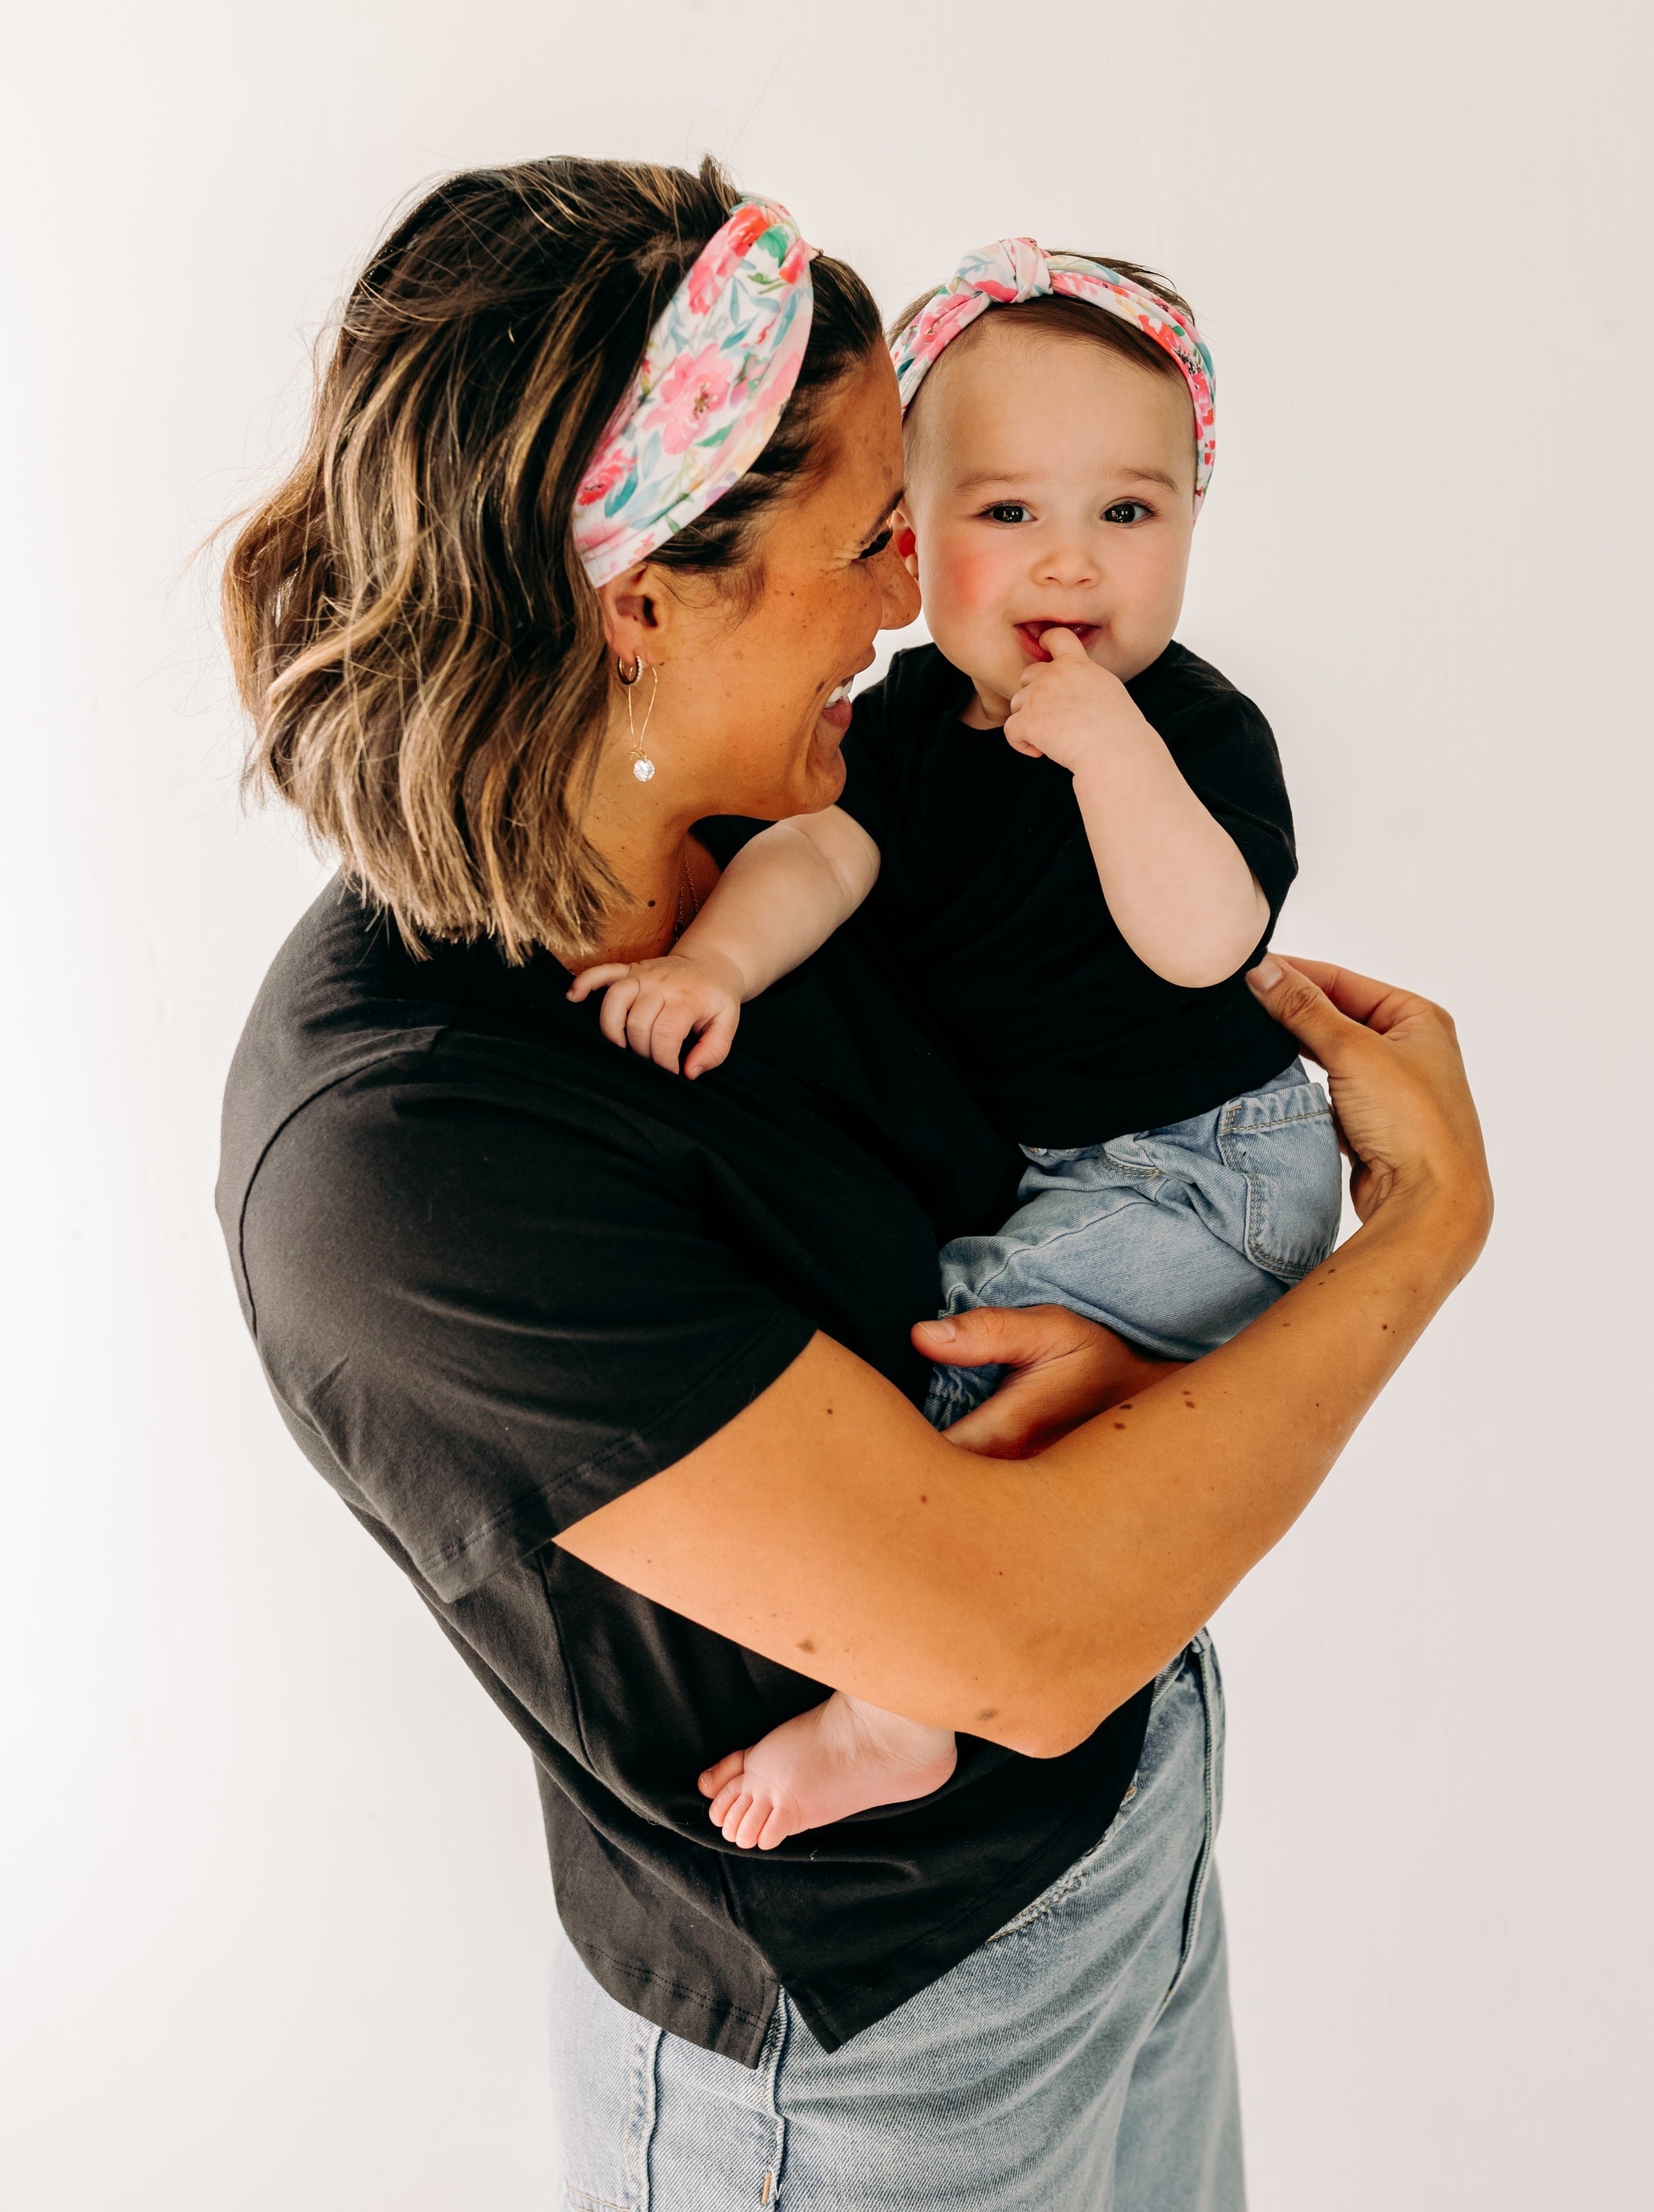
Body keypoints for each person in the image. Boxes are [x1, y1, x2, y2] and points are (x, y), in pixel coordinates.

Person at [217, 154, 1489, 2209]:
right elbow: (1036, 1628)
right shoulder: (406, 1158)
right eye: (867, 539)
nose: (920, 599)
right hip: (876, 2058)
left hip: (1131, 1845)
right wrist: (1425, 1230)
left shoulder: (776, 833)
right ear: (640, 600)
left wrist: (1142, 1364)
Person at [569, 238, 1345, 1853]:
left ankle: (895, 1716)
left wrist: (1115, 758)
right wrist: (715, 961)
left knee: (980, 1348)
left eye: (1129, 513)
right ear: (910, 543)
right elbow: (818, 855)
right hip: (1069, 1169)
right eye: (1010, 513)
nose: (1073, 562)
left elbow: (1206, 939)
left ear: (1195, 527)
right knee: (968, 1359)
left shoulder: (1193, 730)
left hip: (1208, 1166)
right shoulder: (907, 728)